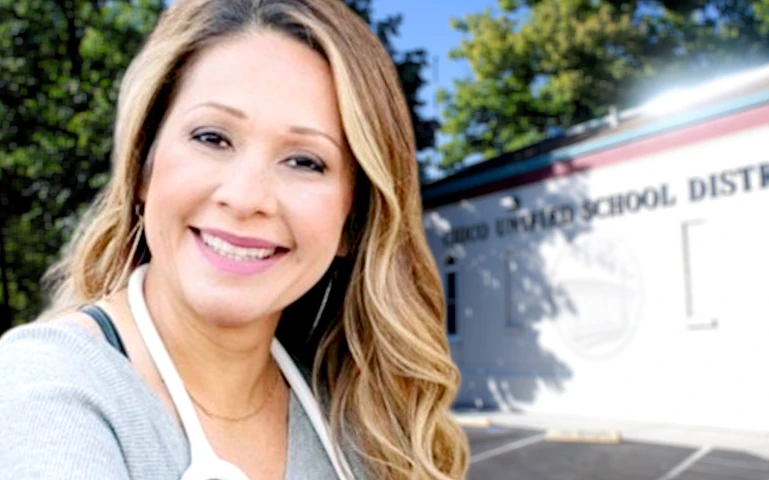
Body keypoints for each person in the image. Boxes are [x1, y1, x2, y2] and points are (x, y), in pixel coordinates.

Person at [0, 0, 469, 479]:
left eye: (305, 161)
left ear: (353, 220)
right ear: (143, 165)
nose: (246, 198)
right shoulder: (48, 389)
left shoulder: (363, 426)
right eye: (211, 138)